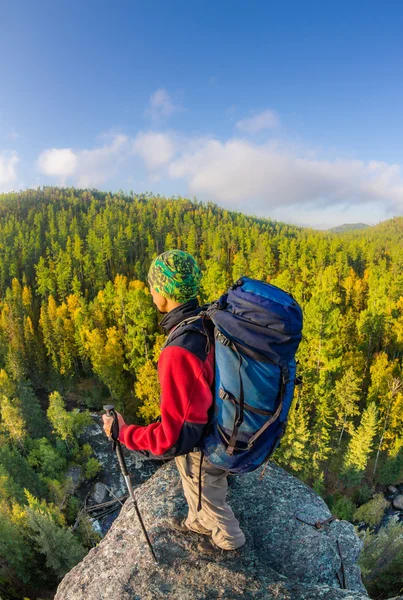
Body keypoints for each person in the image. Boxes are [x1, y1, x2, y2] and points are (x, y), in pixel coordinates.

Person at [102, 250, 245, 553]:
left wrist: (123, 433)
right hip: (224, 427)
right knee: (198, 488)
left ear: (163, 291)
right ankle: (198, 521)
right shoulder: (207, 319)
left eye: (152, 285)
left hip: (207, 447)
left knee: (211, 500)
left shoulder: (180, 350)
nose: (150, 291)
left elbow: (173, 438)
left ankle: (227, 544)